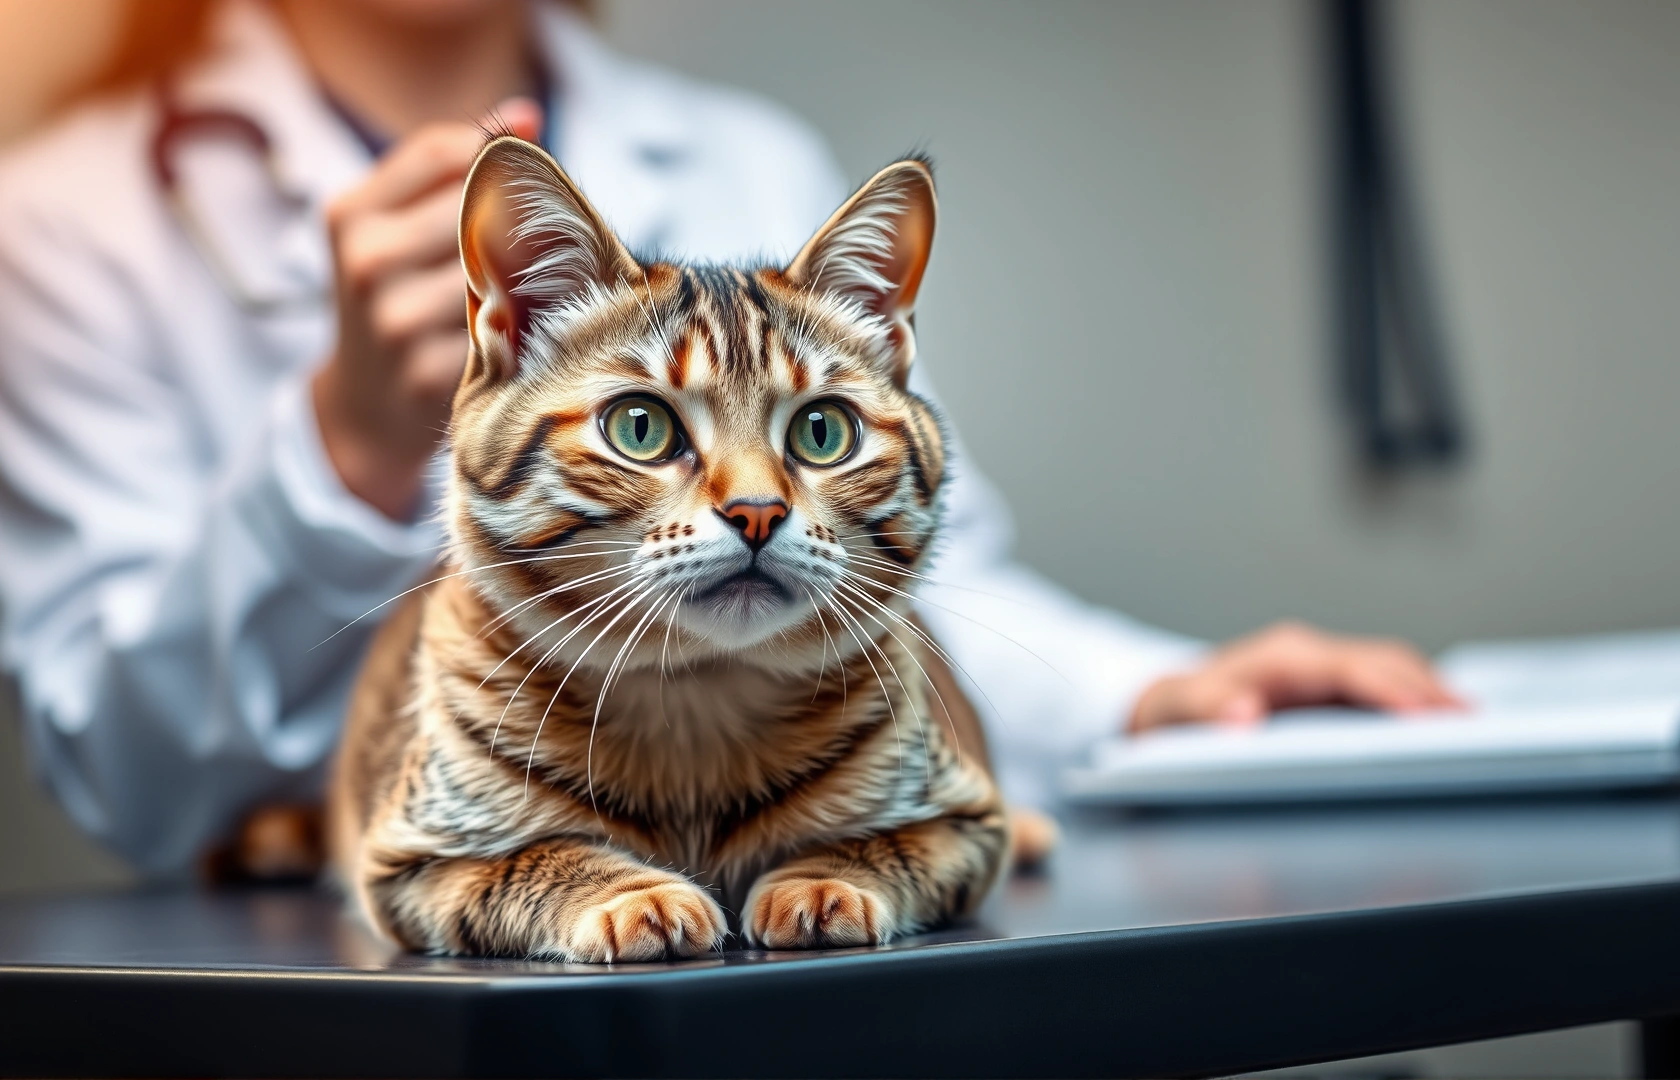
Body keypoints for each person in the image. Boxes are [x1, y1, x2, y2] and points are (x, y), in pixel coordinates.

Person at [0, 0, 1459, 876]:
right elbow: (123, 778)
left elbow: (902, 600)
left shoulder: (750, 160)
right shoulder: (61, 221)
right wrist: (348, 445)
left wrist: (1164, 691)